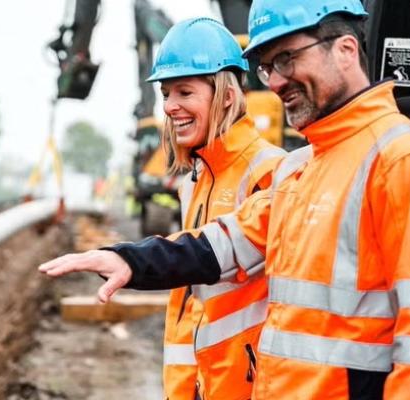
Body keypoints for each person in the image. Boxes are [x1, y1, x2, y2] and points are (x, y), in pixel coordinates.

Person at [39, 1, 410, 399]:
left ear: (346, 49)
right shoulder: (302, 168)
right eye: (266, 68)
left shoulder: (403, 160)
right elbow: (223, 244)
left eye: (286, 59)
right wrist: (130, 261)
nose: (276, 82)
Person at [143, 17, 285, 400]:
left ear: (224, 94)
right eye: (166, 94)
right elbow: (191, 304)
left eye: (185, 92)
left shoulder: (269, 172)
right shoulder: (198, 179)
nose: (171, 107)